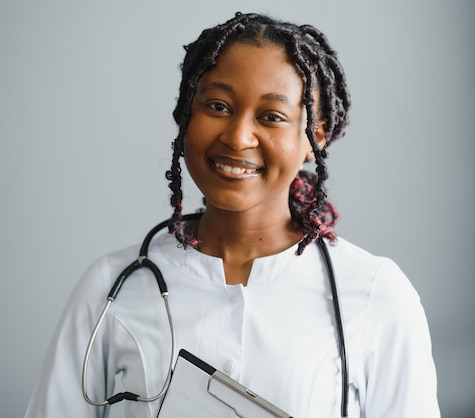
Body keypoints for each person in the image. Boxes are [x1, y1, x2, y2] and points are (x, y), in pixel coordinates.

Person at [24, 12, 440, 418]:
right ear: (187, 112)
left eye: (271, 116)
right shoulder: (110, 287)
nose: (238, 136)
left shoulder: (376, 296)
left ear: (315, 137)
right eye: (218, 106)